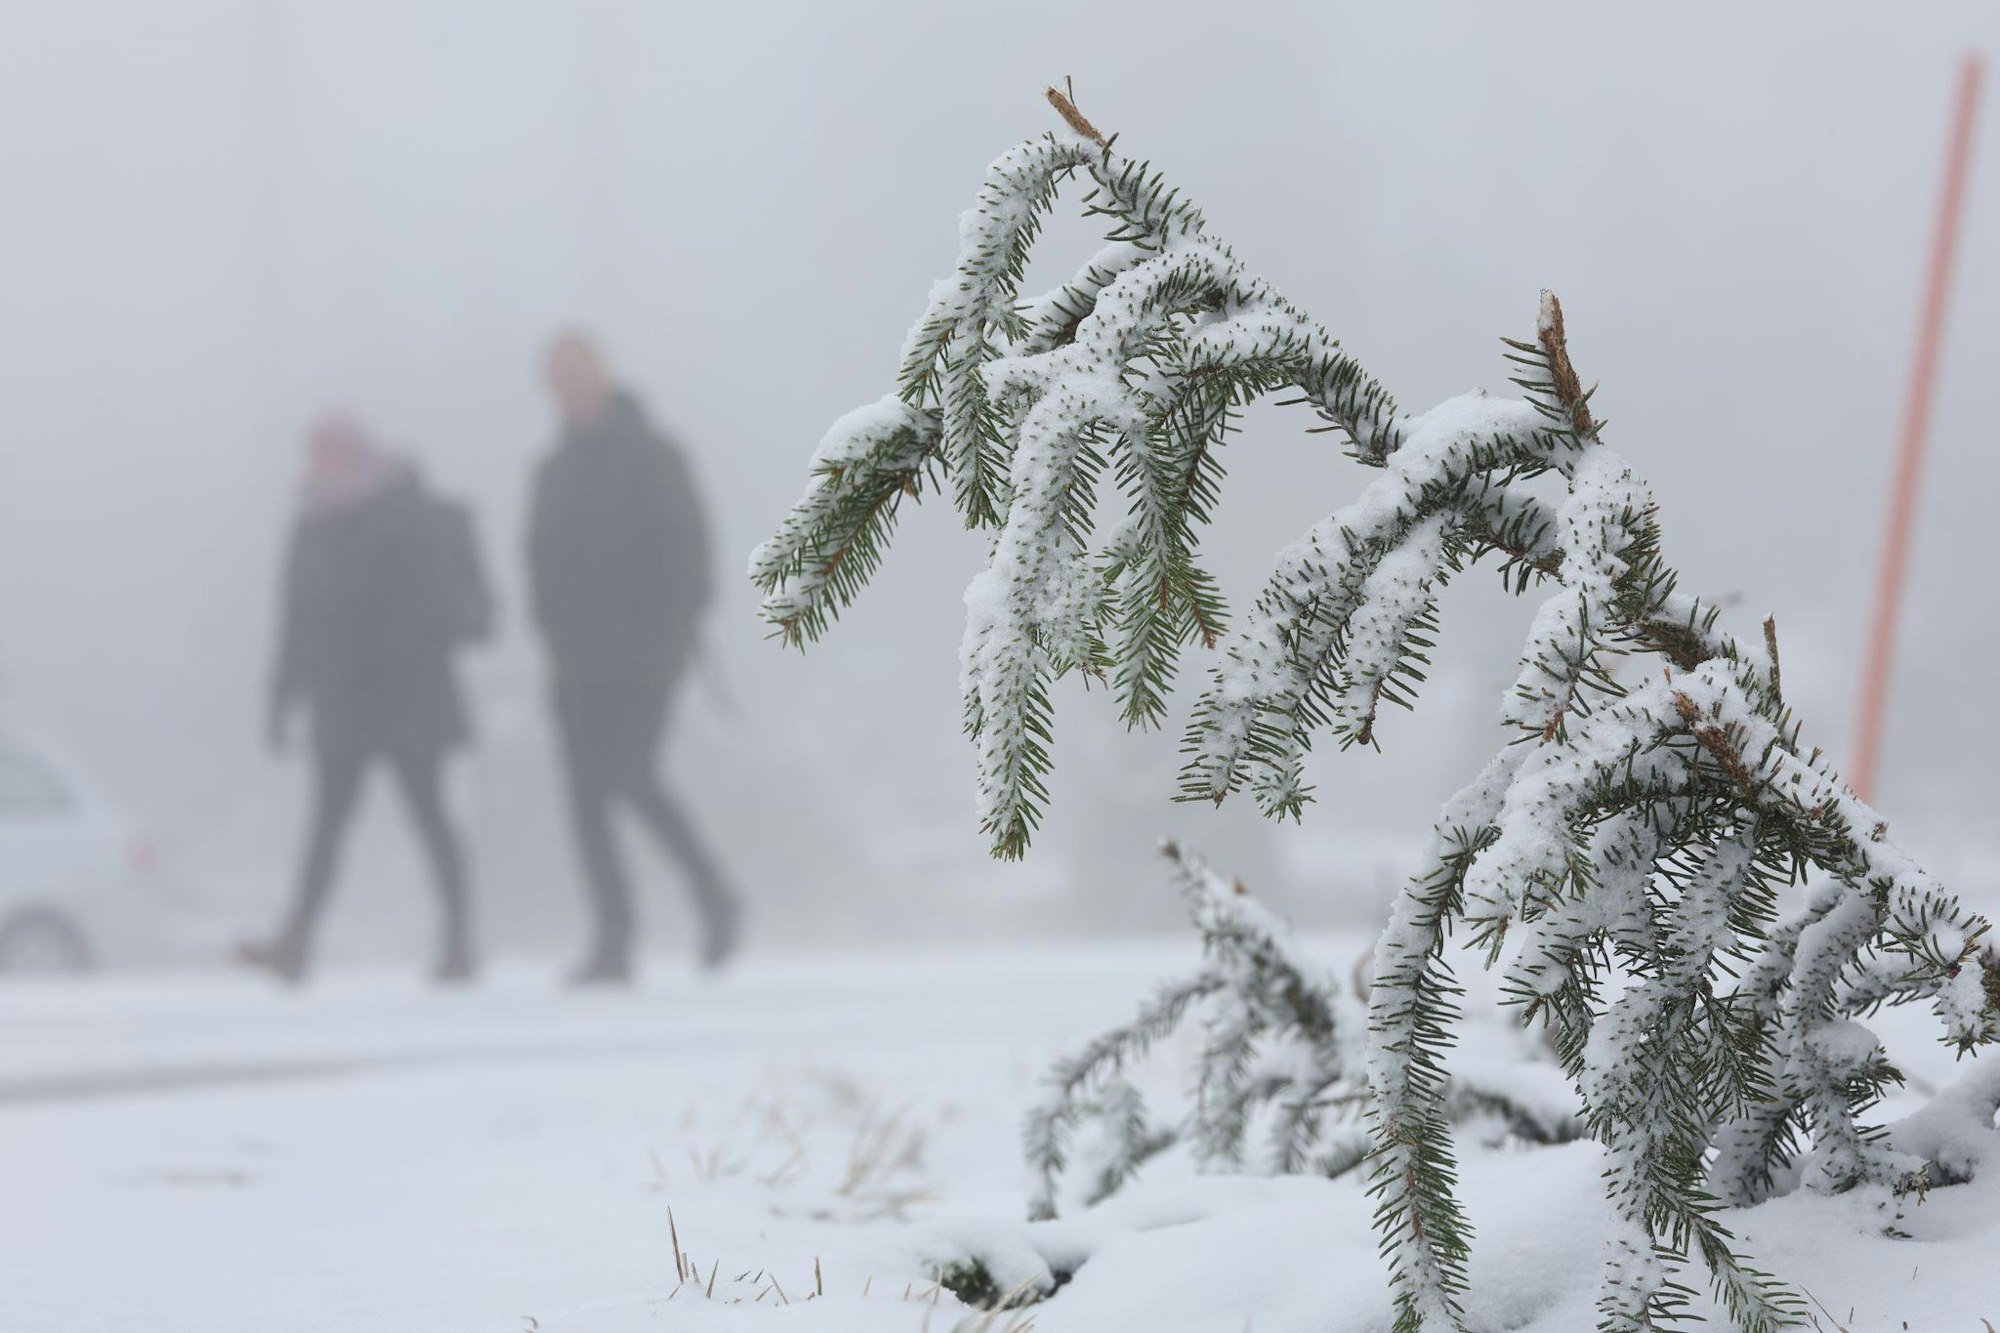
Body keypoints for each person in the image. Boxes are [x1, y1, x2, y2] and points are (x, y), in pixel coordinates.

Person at [241, 414, 493, 984]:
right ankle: (297, 939)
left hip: (409, 698)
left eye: (333, 451)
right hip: (342, 703)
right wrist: (281, 699)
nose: (321, 463)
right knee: (326, 826)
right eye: (316, 453)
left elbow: (427, 601)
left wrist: (380, 650)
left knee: (429, 818)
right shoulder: (310, 523)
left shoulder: (405, 509)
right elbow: (297, 619)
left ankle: (458, 938)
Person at [528, 333, 739, 983]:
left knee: (629, 776)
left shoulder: (653, 454)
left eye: (579, 373)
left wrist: (672, 626)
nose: (571, 387)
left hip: (645, 655)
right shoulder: (553, 470)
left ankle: (712, 890)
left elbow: (691, 548)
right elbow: (536, 558)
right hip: (576, 661)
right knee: (585, 801)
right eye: (558, 377)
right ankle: (614, 939)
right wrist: (553, 630)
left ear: (602, 376)